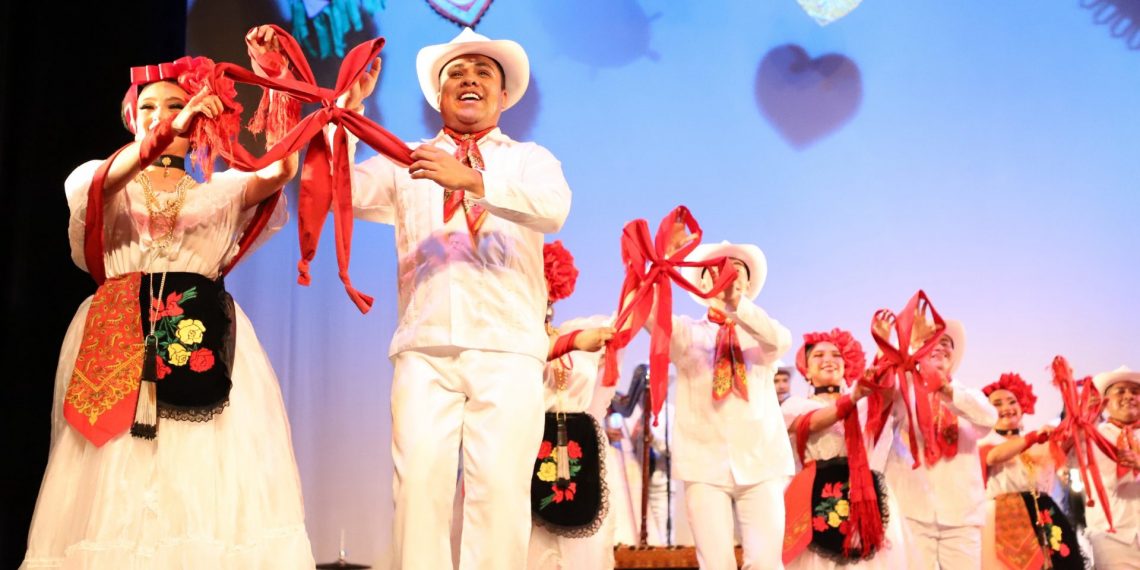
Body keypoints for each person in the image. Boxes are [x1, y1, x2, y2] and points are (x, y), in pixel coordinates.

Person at [20, 55, 312, 568]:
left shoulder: (220, 191)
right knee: (110, 466)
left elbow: (282, 169)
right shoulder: (98, 179)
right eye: (148, 106)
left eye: (177, 105)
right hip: (117, 328)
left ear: (202, 118)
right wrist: (166, 129)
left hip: (200, 329)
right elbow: (104, 184)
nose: (163, 116)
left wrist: (280, 81)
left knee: (198, 462)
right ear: (131, 118)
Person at [341, 27, 572, 569]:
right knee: (418, 486)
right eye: (456, 75)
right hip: (425, 347)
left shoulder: (528, 158)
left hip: (508, 346)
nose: (469, 80)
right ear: (439, 95)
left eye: (482, 73)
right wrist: (348, 117)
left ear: (503, 94)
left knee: (499, 491)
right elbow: (339, 192)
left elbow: (552, 209)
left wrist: (470, 179)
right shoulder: (407, 160)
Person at [650, 239, 794, 569]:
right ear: (700, 282)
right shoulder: (685, 333)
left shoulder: (760, 332)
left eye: (736, 270)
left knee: (766, 563)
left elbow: (780, 340)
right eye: (714, 271)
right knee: (716, 564)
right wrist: (663, 262)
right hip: (704, 465)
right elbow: (649, 314)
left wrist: (736, 306)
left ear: (747, 282)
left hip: (762, 463)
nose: (726, 275)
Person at [781, 328, 911, 569]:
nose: (828, 360)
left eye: (836, 354)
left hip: (865, 496)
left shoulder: (863, 402)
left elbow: (889, 387)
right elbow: (813, 422)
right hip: (813, 496)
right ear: (806, 371)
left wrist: (885, 347)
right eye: (818, 356)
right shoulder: (795, 405)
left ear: (846, 365)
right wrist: (851, 400)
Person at [881, 317, 998, 569]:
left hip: (962, 514)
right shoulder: (904, 387)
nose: (940, 347)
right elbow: (876, 391)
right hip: (911, 507)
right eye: (931, 341)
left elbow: (988, 417)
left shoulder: (967, 395)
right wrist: (907, 349)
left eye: (946, 342)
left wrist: (944, 388)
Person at [978, 373, 1085, 569]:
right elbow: (993, 457)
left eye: (1012, 401)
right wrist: (1032, 438)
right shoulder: (986, 442)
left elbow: (1068, 446)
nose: (1007, 408)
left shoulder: (1041, 442)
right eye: (997, 404)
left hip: (1044, 511)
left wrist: (1079, 409)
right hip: (1005, 517)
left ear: (1022, 405)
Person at [1086, 366, 1140, 568]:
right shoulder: (1091, 435)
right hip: (1111, 537)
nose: (1129, 396)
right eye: (1120, 391)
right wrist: (1084, 420)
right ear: (1105, 402)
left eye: (1135, 391)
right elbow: (1065, 456)